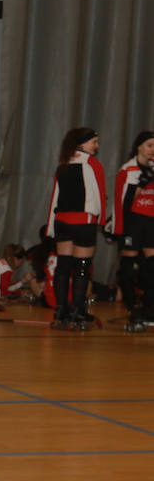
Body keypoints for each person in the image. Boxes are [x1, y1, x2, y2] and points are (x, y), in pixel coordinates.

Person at [44, 127, 105, 329]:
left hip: (61, 221)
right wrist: (102, 220)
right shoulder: (93, 164)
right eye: (93, 142)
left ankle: (61, 311)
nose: (96, 146)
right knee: (82, 268)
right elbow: (100, 196)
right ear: (82, 143)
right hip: (83, 221)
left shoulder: (63, 164)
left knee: (63, 267)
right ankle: (77, 313)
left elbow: (55, 197)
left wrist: (51, 227)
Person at [109, 131, 154, 330]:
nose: (152, 150)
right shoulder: (128, 170)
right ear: (139, 147)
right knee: (128, 266)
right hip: (133, 222)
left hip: (150, 222)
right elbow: (124, 203)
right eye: (149, 145)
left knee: (150, 267)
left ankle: (148, 307)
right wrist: (140, 185)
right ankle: (132, 305)